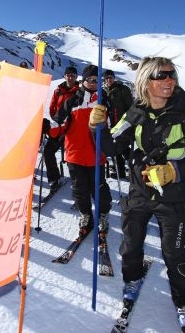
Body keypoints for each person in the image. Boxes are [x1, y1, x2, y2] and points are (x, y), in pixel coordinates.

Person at [89, 57, 185, 330]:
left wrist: (175, 171)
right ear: (145, 81)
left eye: (172, 75)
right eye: (161, 76)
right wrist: (97, 128)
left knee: (174, 252)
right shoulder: (135, 112)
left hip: (174, 195)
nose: (169, 80)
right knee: (131, 243)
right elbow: (110, 148)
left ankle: (184, 301)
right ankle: (133, 279)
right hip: (139, 190)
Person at [47, 65, 112, 239]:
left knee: (99, 188)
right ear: (83, 80)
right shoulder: (72, 100)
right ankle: (86, 214)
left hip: (96, 154)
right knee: (79, 189)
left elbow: (112, 125)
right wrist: (47, 126)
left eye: (97, 80)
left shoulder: (104, 100)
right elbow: (59, 124)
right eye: (90, 80)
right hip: (75, 154)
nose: (93, 83)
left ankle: (103, 214)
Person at [42, 66, 79, 191]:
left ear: (76, 77)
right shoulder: (58, 90)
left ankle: (79, 185)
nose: (70, 77)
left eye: (73, 75)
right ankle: (54, 179)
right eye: (68, 74)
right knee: (48, 151)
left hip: (73, 130)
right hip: (59, 128)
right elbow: (52, 108)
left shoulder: (79, 92)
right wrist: (56, 120)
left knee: (73, 157)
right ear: (64, 76)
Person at [103, 69, 134, 179]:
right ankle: (120, 172)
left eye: (110, 77)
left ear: (114, 78)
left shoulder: (122, 89)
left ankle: (135, 168)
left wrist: (129, 122)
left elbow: (130, 107)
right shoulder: (104, 92)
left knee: (124, 148)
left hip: (123, 124)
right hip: (111, 125)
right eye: (107, 78)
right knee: (116, 149)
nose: (109, 79)